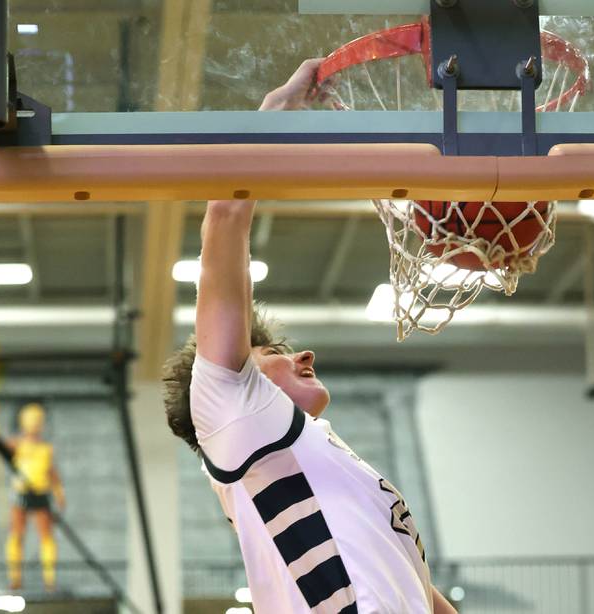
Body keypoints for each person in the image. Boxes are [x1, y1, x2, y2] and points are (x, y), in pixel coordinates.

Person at [163, 59, 458, 613]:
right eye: (271, 353)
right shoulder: (235, 417)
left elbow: (430, 601)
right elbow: (225, 218)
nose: (302, 353)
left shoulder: (334, 467)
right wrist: (272, 115)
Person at [0, 401, 65, 591]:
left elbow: (51, 472)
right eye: (32, 420)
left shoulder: (45, 448)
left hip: (41, 492)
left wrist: (59, 493)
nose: (35, 425)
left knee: (46, 536)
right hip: (22, 491)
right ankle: (15, 578)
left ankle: (49, 579)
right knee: (17, 534)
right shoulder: (17, 443)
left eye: (38, 421)